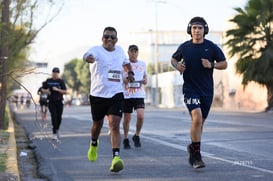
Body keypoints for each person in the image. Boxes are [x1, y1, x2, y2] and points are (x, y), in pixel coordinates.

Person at [171, 16, 227, 169]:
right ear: (190, 30)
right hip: (190, 89)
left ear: (205, 30)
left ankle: (193, 147)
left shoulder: (212, 47)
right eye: (194, 28)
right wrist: (177, 66)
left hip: (207, 90)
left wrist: (212, 64)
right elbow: (173, 59)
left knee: (200, 123)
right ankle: (197, 156)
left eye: (200, 28)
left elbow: (225, 63)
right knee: (197, 118)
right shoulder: (185, 47)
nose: (197, 31)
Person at [83, 26, 134, 173]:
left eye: (112, 37)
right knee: (97, 125)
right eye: (106, 37)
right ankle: (94, 143)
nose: (109, 39)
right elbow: (87, 55)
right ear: (102, 38)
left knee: (114, 125)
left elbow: (126, 62)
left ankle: (116, 158)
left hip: (116, 94)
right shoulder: (96, 50)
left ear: (116, 40)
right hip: (98, 95)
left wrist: (129, 72)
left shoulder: (120, 51)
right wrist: (88, 58)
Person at [122, 45, 147, 149]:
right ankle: (126, 138)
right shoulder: (124, 64)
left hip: (139, 94)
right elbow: (123, 79)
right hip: (127, 95)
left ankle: (136, 135)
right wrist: (127, 80)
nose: (133, 53)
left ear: (138, 53)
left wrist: (145, 80)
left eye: (135, 51)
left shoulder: (143, 64)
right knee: (127, 118)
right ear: (128, 52)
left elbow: (145, 76)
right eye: (132, 51)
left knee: (141, 116)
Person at [42, 67, 67, 140]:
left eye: (56, 73)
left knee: (59, 117)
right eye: (54, 73)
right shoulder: (48, 81)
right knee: (54, 117)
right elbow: (42, 89)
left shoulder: (61, 81)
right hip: (51, 102)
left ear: (58, 74)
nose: (55, 74)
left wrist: (58, 90)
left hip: (59, 101)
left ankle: (57, 129)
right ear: (52, 73)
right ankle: (54, 133)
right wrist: (46, 91)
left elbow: (65, 91)